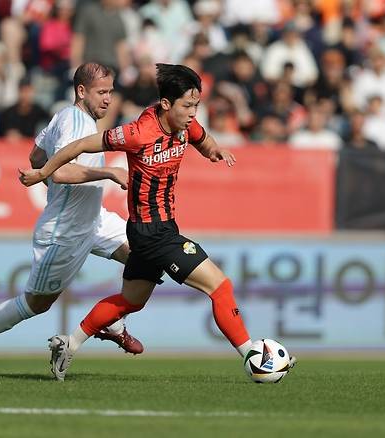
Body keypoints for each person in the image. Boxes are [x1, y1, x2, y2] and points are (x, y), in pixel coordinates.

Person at [19, 64, 296, 381]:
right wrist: (43, 173)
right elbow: (81, 145)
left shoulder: (184, 125)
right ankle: (254, 357)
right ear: (166, 104)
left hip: (148, 232)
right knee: (220, 287)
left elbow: (201, 138)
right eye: (187, 106)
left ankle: (70, 343)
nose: (193, 113)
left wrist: (214, 150)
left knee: (131, 301)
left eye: (196, 106)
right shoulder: (138, 133)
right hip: (155, 233)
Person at [0, 63, 144, 376]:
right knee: (35, 304)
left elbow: (37, 157)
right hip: (64, 231)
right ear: (82, 91)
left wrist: (45, 171)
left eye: (111, 92)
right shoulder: (75, 122)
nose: (108, 99)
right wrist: (107, 171)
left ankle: (113, 321)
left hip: (94, 219)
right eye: (101, 92)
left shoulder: (64, 117)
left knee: (145, 255)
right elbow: (60, 171)